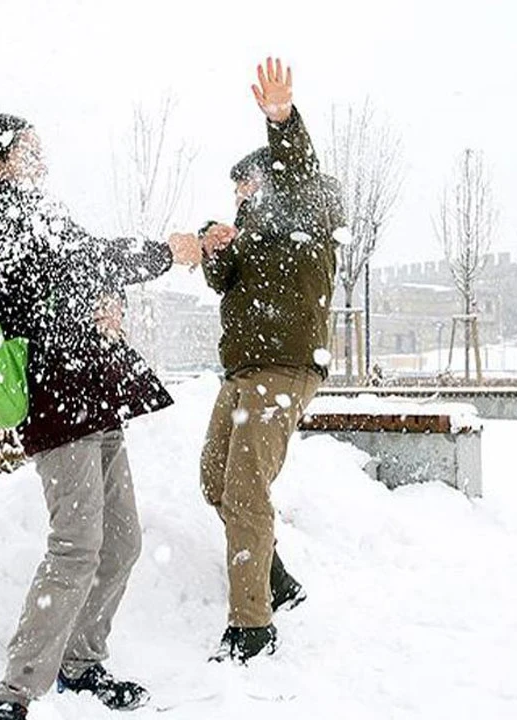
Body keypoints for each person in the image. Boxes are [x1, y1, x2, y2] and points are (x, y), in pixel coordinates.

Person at [0, 114, 202, 720]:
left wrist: (109, 302)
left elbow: (79, 273)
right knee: (76, 546)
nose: (42, 159)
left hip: (93, 391)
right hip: (56, 398)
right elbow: (76, 265)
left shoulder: (33, 209)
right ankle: (11, 694)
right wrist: (163, 254)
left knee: (122, 542)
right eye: (28, 150)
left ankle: (81, 663)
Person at [196, 58, 345, 663]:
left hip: (284, 370)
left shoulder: (308, 209)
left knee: (246, 489)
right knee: (215, 479)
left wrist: (281, 121)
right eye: (236, 191)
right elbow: (222, 281)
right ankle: (276, 578)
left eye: (248, 186)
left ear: (273, 180)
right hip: (243, 373)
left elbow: (300, 171)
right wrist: (213, 245)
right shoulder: (250, 235)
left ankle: (252, 626)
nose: (241, 197)